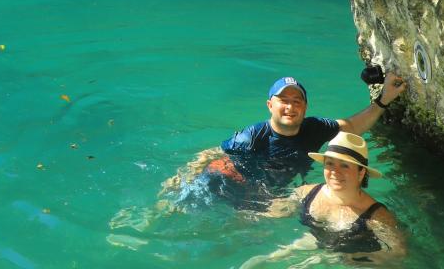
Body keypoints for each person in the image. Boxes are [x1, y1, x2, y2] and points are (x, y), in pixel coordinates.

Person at [163, 73, 407, 209]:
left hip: (266, 193)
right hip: (225, 184)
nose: (290, 106)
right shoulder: (252, 136)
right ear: (271, 105)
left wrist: (384, 99)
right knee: (173, 208)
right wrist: (182, 175)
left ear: (305, 106)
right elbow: (213, 155)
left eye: (297, 101)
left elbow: (352, 126)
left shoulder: (315, 128)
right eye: (283, 100)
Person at [240, 132, 406, 267]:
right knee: (259, 262)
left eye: (345, 165)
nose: (335, 171)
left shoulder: (376, 216)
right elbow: (277, 208)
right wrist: (256, 220)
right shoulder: (307, 192)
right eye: (330, 163)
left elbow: (399, 254)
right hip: (312, 246)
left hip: (347, 264)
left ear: (361, 172)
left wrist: (356, 257)